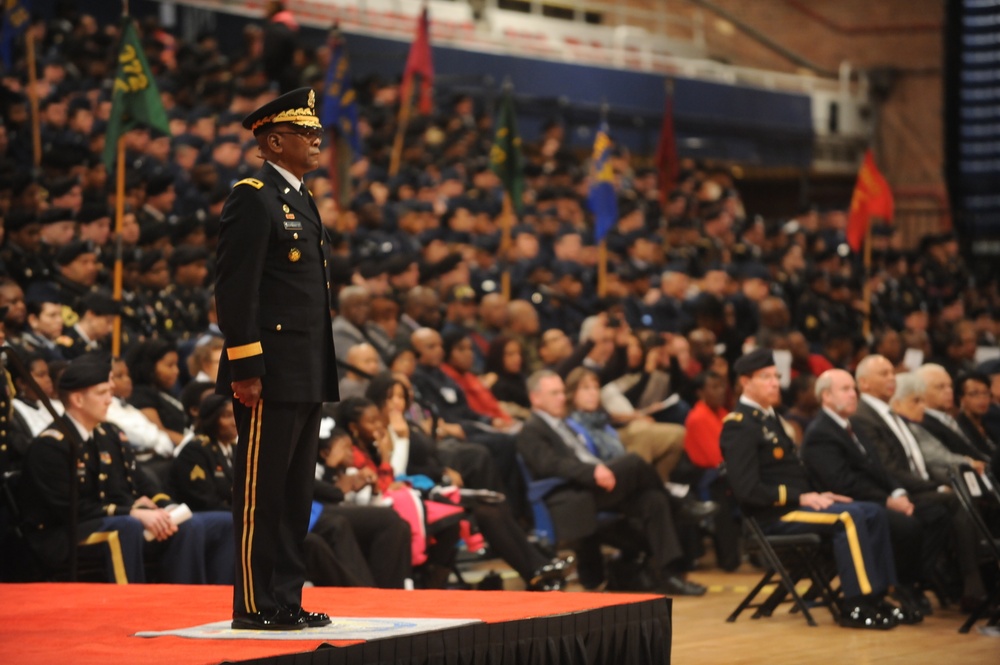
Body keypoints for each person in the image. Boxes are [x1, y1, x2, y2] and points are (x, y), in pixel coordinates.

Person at [215, 87, 339, 631]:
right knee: (261, 493)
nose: (316, 140)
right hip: (267, 373)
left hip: (306, 369)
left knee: (295, 495)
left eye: (315, 131)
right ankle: (254, 603)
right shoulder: (253, 195)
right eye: (304, 132)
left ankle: (286, 597)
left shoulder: (302, 197)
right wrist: (245, 366)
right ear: (272, 140)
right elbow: (236, 290)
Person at [720, 349, 904, 629]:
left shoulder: (769, 418)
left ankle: (879, 596)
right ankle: (855, 604)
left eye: (776, 376)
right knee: (849, 517)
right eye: (765, 377)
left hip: (796, 507)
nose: (774, 383)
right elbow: (748, 490)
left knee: (872, 511)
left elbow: (794, 473)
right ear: (745, 383)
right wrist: (802, 496)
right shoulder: (739, 426)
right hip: (771, 516)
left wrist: (820, 494)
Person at [18, 354, 233, 584]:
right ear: (78, 400)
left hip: (113, 519)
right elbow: (71, 508)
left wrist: (165, 506)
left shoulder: (109, 434)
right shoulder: (52, 444)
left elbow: (140, 481)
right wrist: (131, 511)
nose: (109, 400)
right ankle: (129, 606)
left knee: (190, 523)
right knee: (127, 528)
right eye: (102, 393)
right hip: (62, 533)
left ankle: (191, 601)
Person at [365, 372, 568, 591]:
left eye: (401, 396)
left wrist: (442, 469)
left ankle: (539, 568)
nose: (397, 402)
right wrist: (402, 437)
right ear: (377, 399)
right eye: (390, 397)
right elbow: (397, 472)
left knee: (492, 502)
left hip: (431, 488)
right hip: (410, 496)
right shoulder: (381, 431)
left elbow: (427, 459)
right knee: (486, 511)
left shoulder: (409, 425)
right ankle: (536, 571)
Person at [517, 369, 705, 596]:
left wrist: (594, 469)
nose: (561, 397)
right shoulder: (531, 430)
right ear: (535, 397)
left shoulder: (561, 424)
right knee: (634, 462)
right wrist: (592, 471)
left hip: (590, 489)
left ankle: (670, 575)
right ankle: (679, 505)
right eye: (554, 393)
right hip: (571, 494)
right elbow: (550, 464)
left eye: (561, 392)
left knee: (652, 500)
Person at [800, 369, 951, 619]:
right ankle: (898, 588)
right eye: (845, 389)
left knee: (936, 514)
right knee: (907, 526)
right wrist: (888, 501)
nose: (853, 395)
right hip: (851, 503)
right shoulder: (820, 432)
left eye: (853, 389)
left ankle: (910, 585)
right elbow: (842, 483)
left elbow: (879, 469)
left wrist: (898, 492)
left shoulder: (853, 425)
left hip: (875, 498)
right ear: (826, 396)